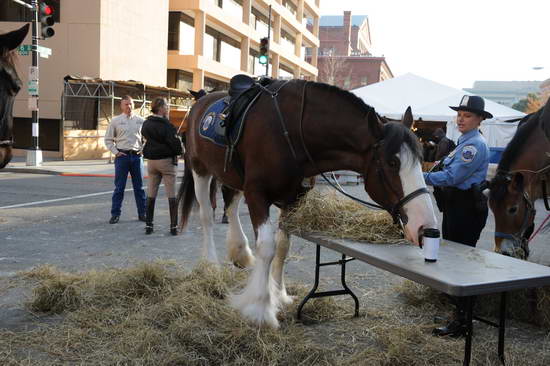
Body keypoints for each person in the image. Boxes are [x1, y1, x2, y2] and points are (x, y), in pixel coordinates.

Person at [423, 95, 491, 337]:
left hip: (466, 208)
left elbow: (453, 177)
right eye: (460, 115)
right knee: (453, 259)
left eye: (468, 115)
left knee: (460, 264)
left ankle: (463, 323)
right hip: (456, 206)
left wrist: (421, 178)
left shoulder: (473, 146)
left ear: (480, 119)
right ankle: (459, 315)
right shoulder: (464, 142)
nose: (461, 119)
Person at [141, 97, 183, 235]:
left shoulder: (146, 124)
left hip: (151, 162)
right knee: (172, 194)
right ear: (160, 108)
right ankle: (173, 227)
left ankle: (149, 225)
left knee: (151, 193)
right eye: (166, 105)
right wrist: (180, 150)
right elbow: (175, 144)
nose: (167, 107)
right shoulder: (167, 125)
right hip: (166, 162)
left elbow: (145, 137)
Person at [104, 96, 146, 224]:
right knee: (119, 188)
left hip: (136, 157)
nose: (129, 106)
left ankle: (142, 213)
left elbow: (147, 138)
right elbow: (108, 139)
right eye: (126, 104)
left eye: (131, 104)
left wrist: (143, 149)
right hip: (122, 157)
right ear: (121, 106)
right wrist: (116, 152)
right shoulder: (115, 121)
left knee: (139, 188)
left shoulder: (141, 121)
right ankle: (115, 214)